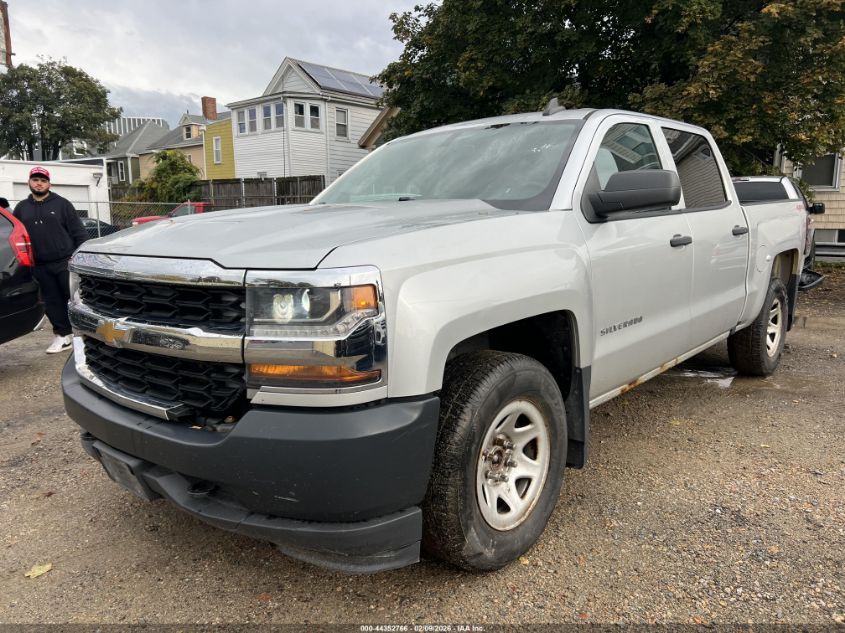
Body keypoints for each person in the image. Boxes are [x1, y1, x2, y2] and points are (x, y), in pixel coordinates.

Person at [13, 166, 88, 353]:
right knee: (52, 302)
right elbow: (17, 236)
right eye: (35, 179)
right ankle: (63, 336)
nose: (39, 183)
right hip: (39, 265)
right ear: (29, 182)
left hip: (65, 262)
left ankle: (89, 336)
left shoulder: (62, 204)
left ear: (49, 183)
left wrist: (80, 256)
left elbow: (79, 232)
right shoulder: (22, 208)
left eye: (43, 180)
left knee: (76, 300)